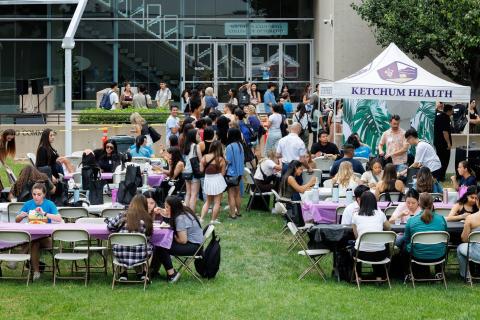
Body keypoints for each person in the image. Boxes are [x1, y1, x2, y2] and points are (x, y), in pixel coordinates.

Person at [149, 196, 204, 283]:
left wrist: (172, 235)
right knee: (161, 243)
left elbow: (183, 240)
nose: (165, 208)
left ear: (173, 207)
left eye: (167, 207)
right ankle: (153, 271)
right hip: (195, 244)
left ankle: (171, 275)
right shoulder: (183, 211)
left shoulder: (180, 218)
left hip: (194, 247)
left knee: (161, 246)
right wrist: (163, 211)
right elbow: (169, 214)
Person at [15, 183, 62, 280]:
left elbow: (58, 218)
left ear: (44, 194)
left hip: (46, 238)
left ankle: (20, 255)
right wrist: (21, 216)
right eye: (34, 194)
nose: (36, 197)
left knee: (36, 240)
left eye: (39, 194)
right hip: (32, 237)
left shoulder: (49, 204)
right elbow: (17, 220)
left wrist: (44, 213)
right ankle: (36, 272)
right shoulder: (28, 204)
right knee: (35, 242)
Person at [106, 194, 153, 281]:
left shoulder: (122, 215)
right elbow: (148, 237)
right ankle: (143, 273)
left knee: (127, 246)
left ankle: (123, 273)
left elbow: (110, 226)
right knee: (148, 246)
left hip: (120, 253)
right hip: (140, 254)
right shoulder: (147, 219)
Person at [403, 193, 448, 278]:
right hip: (439, 255)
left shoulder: (411, 220)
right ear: (432, 204)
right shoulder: (441, 219)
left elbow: (407, 240)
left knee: (405, 247)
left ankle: (409, 273)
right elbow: (445, 237)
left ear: (419, 204)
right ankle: (439, 272)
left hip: (418, 256)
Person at [351, 192, 391, 280]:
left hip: (361, 254)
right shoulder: (380, 214)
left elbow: (357, 236)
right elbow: (389, 227)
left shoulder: (355, 215)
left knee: (354, 248)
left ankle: (358, 276)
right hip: (380, 254)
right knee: (380, 247)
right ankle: (379, 276)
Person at [200, 141, 227, 224]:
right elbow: (223, 173)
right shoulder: (221, 159)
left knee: (208, 201)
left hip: (208, 180)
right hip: (217, 180)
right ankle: (213, 220)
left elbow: (201, 170)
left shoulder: (204, 157)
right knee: (217, 202)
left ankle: (201, 219)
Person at [457, 194, 480, 280]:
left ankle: (466, 275)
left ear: (477, 202)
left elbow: (464, 239)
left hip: (476, 253)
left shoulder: (470, 218)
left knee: (460, 248)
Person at [225, 128, 245, 219]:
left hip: (231, 173)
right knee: (237, 193)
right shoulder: (240, 145)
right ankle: (238, 212)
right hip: (240, 172)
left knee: (231, 195)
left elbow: (228, 161)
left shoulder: (229, 147)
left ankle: (232, 214)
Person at [182, 129, 202, 211]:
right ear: (194, 136)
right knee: (194, 194)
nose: (199, 136)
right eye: (198, 134)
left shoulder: (186, 146)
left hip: (186, 171)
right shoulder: (196, 146)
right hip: (194, 172)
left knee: (188, 193)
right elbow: (201, 160)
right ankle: (191, 213)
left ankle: (186, 211)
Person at [434, 104, 453, 181]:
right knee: (445, 160)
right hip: (443, 143)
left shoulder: (438, 117)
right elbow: (445, 132)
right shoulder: (445, 118)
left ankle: (439, 176)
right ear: (448, 111)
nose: (452, 112)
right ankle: (441, 176)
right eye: (452, 110)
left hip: (438, 142)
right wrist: (448, 143)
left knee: (439, 159)